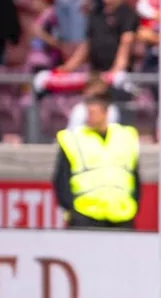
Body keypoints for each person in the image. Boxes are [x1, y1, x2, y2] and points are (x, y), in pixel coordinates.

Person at [53, 87, 141, 229]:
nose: (90, 116)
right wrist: (71, 209)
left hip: (122, 214)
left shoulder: (125, 136)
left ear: (106, 112)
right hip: (84, 214)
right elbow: (61, 178)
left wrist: (134, 202)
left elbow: (134, 174)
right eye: (88, 112)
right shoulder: (74, 139)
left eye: (93, 112)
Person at [57, 0, 138, 77]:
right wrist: (68, 68)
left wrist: (116, 72)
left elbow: (126, 43)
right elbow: (87, 45)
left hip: (118, 77)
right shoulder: (96, 13)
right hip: (96, 75)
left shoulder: (128, 14)